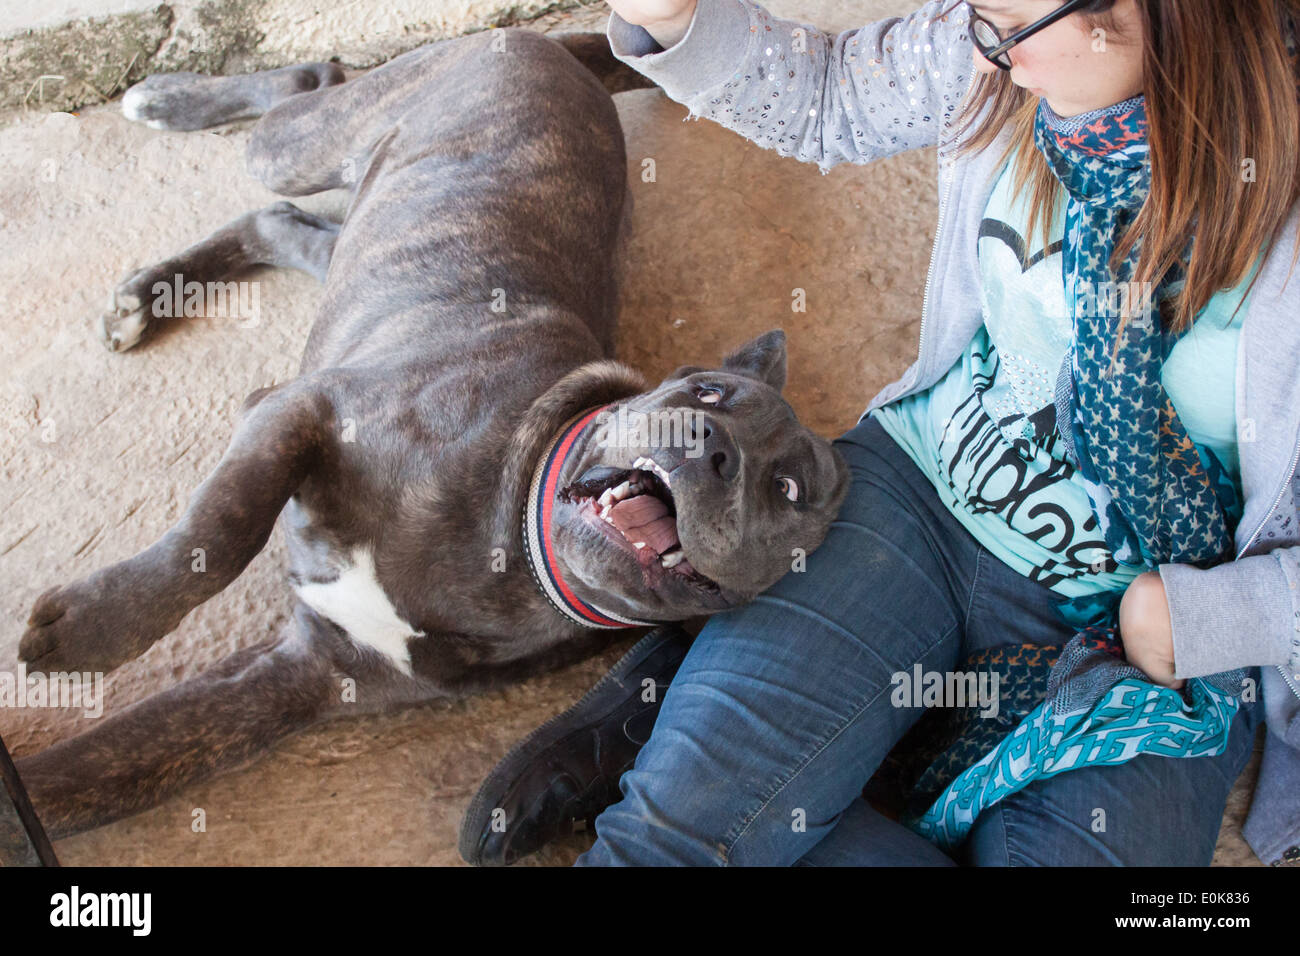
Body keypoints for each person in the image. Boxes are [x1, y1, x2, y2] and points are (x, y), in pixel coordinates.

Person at [460, 0, 1300, 866]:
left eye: (1008, 25)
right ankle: (722, 740)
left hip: (1156, 637)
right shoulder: (995, 57)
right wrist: (675, 19)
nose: (984, 45)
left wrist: (1217, 615)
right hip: (920, 498)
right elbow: (828, 97)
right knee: (673, 836)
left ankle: (704, 719)